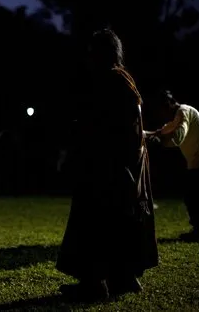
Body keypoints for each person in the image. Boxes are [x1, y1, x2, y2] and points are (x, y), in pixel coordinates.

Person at [56, 29, 158, 301]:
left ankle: (94, 283)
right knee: (117, 221)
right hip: (123, 164)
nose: (89, 57)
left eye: (93, 51)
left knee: (94, 221)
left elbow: (104, 126)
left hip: (108, 165)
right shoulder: (124, 79)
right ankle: (124, 276)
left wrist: (81, 132)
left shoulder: (110, 81)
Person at [145, 90, 199, 241]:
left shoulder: (183, 112)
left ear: (168, 104)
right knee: (196, 196)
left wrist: (159, 141)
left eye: (160, 110)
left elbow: (178, 136)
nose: (160, 115)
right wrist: (148, 134)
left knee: (197, 196)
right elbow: (163, 130)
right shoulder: (180, 114)